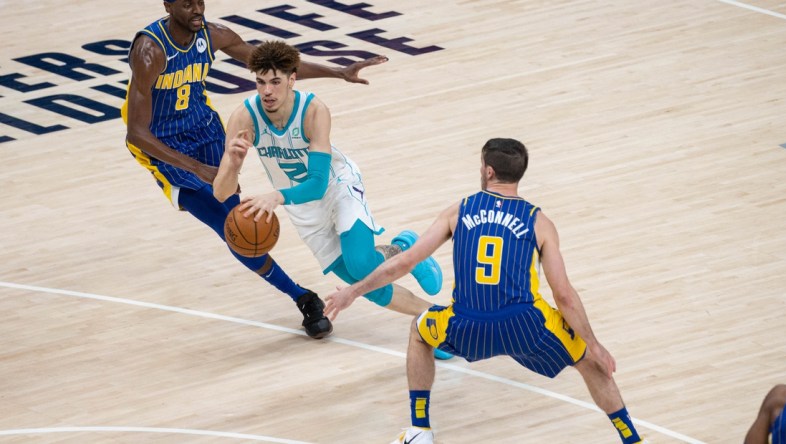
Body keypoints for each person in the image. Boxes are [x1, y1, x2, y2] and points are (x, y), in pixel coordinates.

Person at [324, 138, 646, 443]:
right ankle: (631, 437)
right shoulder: (539, 222)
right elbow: (563, 295)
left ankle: (420, 428)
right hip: (525, 326)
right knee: (590, 361)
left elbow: (406, 261)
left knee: (420, 331)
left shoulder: (459, 211)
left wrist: (353, 291)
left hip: (467, 324)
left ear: (489, 171)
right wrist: (594, 344)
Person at [121, 0, 388, 339]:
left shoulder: (213, 34)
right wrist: (197, 169)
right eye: (186, 3)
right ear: (168, 5)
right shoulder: (150, 51)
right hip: (162, 143)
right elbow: (137, 133)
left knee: (236, 214)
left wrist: (338, 72)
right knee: (231, 224)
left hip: (203, 128)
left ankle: (309, 282)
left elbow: (277, 69)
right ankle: (302, 297)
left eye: (199, 0)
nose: (196, 8)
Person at [212, 40, 444, 323]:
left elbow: (318, 183)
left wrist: (276, 197)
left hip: (336, 186)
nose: (267, 91)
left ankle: (403, 249)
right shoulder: (244, 117)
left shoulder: (313, 111)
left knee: (361, 265)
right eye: (260, 82)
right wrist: (232, 165)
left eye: (275, 81)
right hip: (302, 206)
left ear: (292, 79)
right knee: (367, 287)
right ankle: (435, 319)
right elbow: (222, 193)